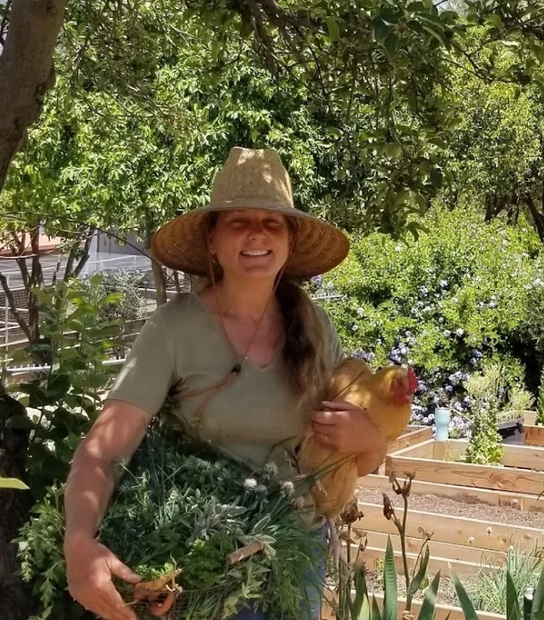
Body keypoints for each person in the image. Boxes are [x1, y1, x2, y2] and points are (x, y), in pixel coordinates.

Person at [62, 147, 387, 620]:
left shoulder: (316, 327)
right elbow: (103, 450)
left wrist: (370, 440)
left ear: (290, 241)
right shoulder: (174, 330)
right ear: (212, 240)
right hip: (204, 560)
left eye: (272, 222)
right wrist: (79, 542)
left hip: (298, 552)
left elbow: (349, 462)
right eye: (239, 222)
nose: (257, 233)